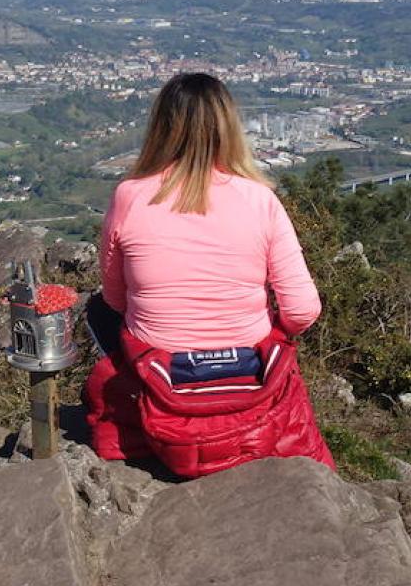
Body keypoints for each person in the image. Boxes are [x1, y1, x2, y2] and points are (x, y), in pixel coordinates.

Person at [82, 72, 333, 476]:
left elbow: (114, 299)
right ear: (228, 128)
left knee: (96, 310)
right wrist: (267, 329)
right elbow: (302, 309)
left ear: (161, 128)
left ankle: (135, 412)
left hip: (157, 366)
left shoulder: (129, 195)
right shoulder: (260, 199)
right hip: (247, 366)